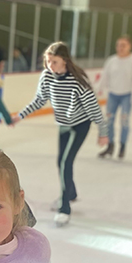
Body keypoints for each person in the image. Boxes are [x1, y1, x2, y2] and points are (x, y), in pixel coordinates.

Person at [12, 42, 107, 227]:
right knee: (61, 162)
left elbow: (94, 108)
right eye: (48, 61)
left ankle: (65, 208)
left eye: (54, 61)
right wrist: (20, 115)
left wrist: (103, 133)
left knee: (66, 162)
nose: (50, 66)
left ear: (64, 61)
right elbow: (39, 100)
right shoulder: (47, 76)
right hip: (63, 125)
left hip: (80, 125)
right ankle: (70, 193)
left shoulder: (78, 81)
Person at [98, 35, 132, 160]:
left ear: (129, 46)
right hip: (113, 95)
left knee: (124, 121)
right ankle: (110, 145)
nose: (120, 48)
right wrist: (99, 90)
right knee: (109, 121)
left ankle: (122, 146)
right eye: (118, 45)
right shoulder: (112, 60)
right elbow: (105, 76)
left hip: (126, 95)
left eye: (123, 45)